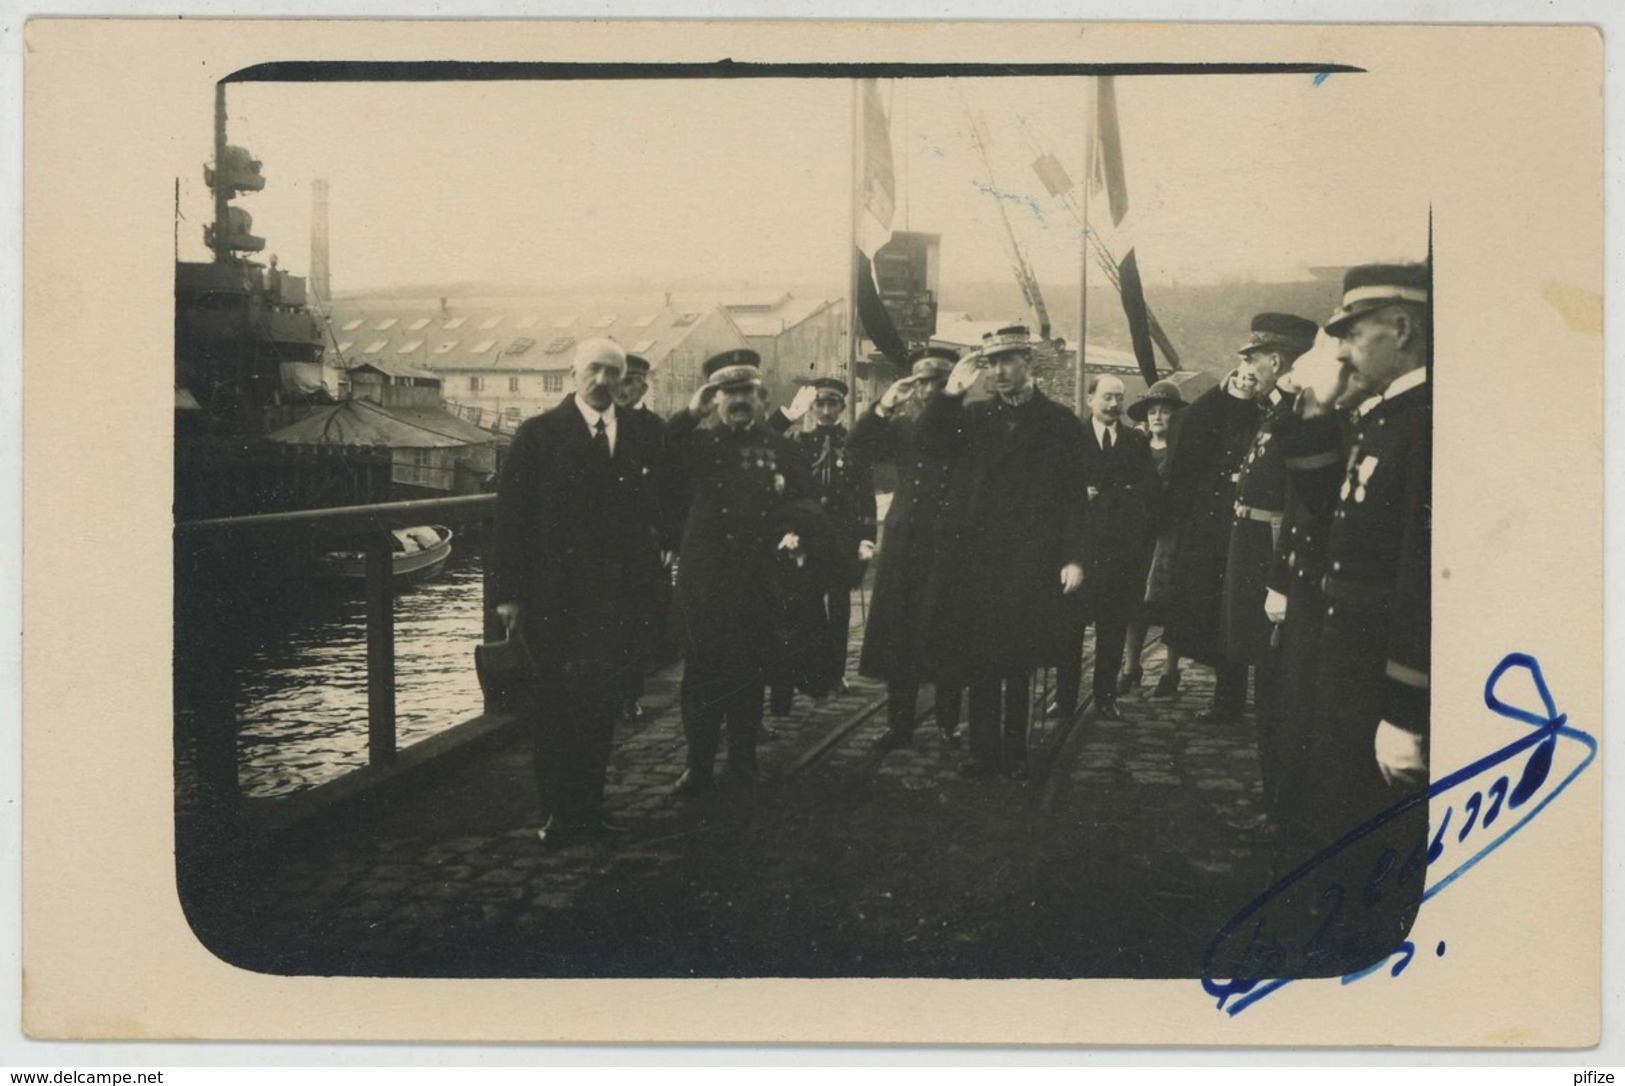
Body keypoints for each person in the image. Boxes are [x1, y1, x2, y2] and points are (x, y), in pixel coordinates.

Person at [1275, 262, 1432, 972]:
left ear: (1400, 329)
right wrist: (1317, 414)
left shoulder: (1425, 426)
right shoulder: (1382, 420)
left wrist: (1404, 709)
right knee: (1341, 816)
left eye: (1353, 335)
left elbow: (1420, 576)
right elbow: (1322, 517)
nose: (1339, 351)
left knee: (1374, 840)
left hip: (1379, 673)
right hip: (1346, 662)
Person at [489, 338, 667, 848]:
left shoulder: (636, 434)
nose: (604, 381)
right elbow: (511, 519)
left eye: (614, 372)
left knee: (601, 706)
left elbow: (657, 504)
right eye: (594, 369)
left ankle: (590, 807)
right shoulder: (539, 434)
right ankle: (557, 812)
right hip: (555, 599)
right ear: (573, 373)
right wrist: (509, 594)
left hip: (616, 600)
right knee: (556, 709)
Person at [917, 325, 1088, 780]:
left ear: (1028, 364)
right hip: (979, 558)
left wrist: (1074, 556)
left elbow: (1074, 497)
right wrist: (952, 392)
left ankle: (1016, 751)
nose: (998, 371)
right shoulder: (973, 417)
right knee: (980, 658)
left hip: (1032, 558)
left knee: (1019, 659)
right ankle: (982, 750)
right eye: (992, 363)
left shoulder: (1059, 423)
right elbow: (928, 443)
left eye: (1007, 361)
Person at [665, 349, 818, 795]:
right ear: (714, 400)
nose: (737, 401)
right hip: (705, 582)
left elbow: (804, 500)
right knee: (701, 676)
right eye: (727, 393)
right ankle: (697, 765)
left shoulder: (781, 447)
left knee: (750, 674)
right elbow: (658, 456)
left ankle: (743, 760)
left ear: (761, 396)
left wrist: (794, 531)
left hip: (758, 579)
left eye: (745, 392)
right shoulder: (696, 443)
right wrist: (688, 413)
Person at [1217, 313, 1320, 839]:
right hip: (1254, 552)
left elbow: (1301, 502)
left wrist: (1278, 577)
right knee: (1267, 681)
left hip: (1274, 557)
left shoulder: (1301, 417)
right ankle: (1273, 801)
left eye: (1252, 359)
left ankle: (1284, 808)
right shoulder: (1274, 413)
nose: (1245, 367)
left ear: (1276, 361)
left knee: (1281, 689)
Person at [849, 347, 966, 753]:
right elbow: (857, 448)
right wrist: (883, 405)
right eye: (922, 382)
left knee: (949, 631)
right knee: (901, 632)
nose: (929, 389)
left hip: (950, 536)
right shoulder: (899, 424)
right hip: (906, 538)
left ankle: (950, 723)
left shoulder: (967, 422)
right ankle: (898, 723)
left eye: (938, 381)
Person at [1163, 349, 1264, 725]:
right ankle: (1228, 698)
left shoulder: (1270, 409)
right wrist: (1226, 393)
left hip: (1259, 526)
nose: (1248, 379)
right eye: (1243, 372)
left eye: (1254, 373)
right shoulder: (1213, 409)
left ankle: (1237, 698)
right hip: (1214, 528)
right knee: (1217, 612)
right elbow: (1187, 434)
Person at [767, 377, 878, 711]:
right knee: (806, 606)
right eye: (820, 405)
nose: (827, 411)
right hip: (808, 538)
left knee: (840, 609)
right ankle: (811, 674)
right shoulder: (798, 443)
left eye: (833, 405)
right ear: (812, 408)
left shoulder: (854, 443)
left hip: (842, 540)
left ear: (843, 408)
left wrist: (867, 538)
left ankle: (836, 673)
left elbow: (866, 496)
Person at [1055, 374, 1155, 722]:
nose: (1114, 405)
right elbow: (1055, 489)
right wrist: (1078, 493)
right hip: (1081, 550)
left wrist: (1112, 497)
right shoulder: (1071, 439)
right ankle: (1064, 700)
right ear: (1090, 399)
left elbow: (1148, 490)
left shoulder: (1135, 441)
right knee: (1069, 630)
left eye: (1119, 398)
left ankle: (1105, 697)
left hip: (1120, 552)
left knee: (1112, 629)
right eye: (1107, 398)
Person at [614, 352, 676, 722]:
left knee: (638, 617)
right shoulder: (600, 423)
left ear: (644, 386)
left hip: (644, 539)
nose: (628, 387)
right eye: (623, 379)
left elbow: (671, 487)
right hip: (604, 540)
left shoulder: (655, 428)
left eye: (635, 380)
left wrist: (669, 538)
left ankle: (629, 694)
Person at [1121, 378, 1188, 696]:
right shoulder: (1136, 449)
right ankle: (1130, 666)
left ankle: (1169, 671)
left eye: (1164, 411)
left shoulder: (1183, 455)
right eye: (1152, 411)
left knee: (1172, 603)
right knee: (1134, 602)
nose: (1158, 417)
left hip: (1171, 536)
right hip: (1138, 535)